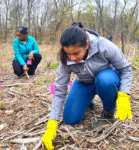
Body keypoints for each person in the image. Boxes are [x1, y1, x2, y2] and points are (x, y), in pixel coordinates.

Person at [42, 22, 132, 150]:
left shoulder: (103, 45)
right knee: (70, 119)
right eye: (68, 53)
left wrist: (124, 94)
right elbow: (59, 89)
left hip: (107, 79)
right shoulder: (65, 58)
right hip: (84, 82)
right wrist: (52, 123)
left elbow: (125, 69)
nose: (72, 58)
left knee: (105, 80)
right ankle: (88, 101)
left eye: (76, 53)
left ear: (87, 45)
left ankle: (108, 113)